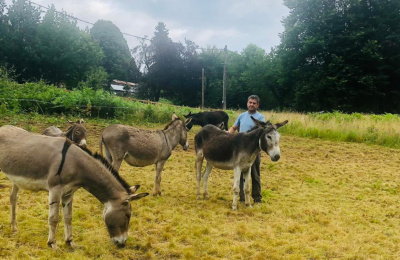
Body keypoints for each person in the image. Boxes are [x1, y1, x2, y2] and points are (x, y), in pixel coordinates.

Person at [228, 95, 265, 204]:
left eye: (254, 103)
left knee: (255, 174)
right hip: (240, 150)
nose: (251, 104)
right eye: (250, 102)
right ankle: (242, 197)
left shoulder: (261, 118)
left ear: (257, 105)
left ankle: (257, 198)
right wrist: (227, 135)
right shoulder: (241, 116)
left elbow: (260, 132)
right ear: (247, 103)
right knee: (239, 173)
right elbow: (234, 128)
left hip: (253, 151)